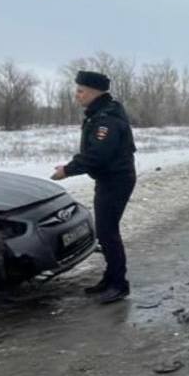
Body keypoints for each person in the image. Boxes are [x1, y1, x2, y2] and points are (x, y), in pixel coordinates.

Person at [52, 70, 137, 304]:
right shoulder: (100, 113)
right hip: (110, 178)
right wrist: (71, 165)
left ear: (94, 92)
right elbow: (95, 154)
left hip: (116, 180)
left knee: (108, 233)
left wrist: (67, 170)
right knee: (106, 231)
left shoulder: (106, 119)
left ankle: (119, 284)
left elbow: (98, 155)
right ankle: (110, 279)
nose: (76, 95)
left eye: (80, 91)